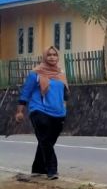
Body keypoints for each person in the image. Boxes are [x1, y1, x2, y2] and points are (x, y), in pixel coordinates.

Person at [15, 46, 69, 180]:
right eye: (49, 55)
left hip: (58, 112)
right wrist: (20, 111)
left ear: (57, 57)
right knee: (45, 139)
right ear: (44, 57)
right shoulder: (35, 73)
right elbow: (26, 92)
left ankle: (38, 168)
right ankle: (52, 170)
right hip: (39, 110)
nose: (52, 57)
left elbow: (65, 93)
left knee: (47, 141)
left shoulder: (61, 73)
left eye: (54, 55)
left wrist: (64, 107)